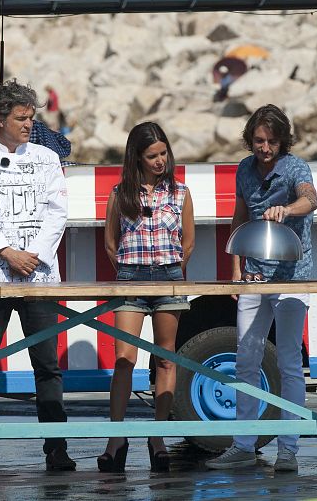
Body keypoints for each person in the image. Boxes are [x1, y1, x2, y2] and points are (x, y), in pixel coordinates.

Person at [0, 79, 75, 473]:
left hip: (38, 276)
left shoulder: (47, 158)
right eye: (21, 118)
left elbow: (58, 211)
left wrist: (32, 255)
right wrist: (6, 252)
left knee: (47, 365)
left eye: (31, 117)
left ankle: (57, 448)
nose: (28, 124)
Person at [205, 104, 317, 473]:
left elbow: (310, 198)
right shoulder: (243, 169)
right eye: (258, 141)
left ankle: (288, 449)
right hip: (253, 274)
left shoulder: (295, 167)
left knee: (288, 362)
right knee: (245, 359)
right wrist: (236, 267)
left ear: (282, 141)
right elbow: (240, 216)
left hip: (292, 276)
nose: (264, 148)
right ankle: (243, 443)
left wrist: (288, 209)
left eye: (270, 141)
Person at [99, 122, 195, 472]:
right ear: (136, 157)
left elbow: (188, 242)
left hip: (168, 276)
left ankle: (157, 436)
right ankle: (116, 437)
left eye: (163, 153)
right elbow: (110, 243)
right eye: (151, 155)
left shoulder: (180, 192)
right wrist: (130, 270)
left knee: (166, 359)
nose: (159, 161)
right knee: (124, 357)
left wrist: (171, 271)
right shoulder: (119, 193)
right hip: (131, 278)